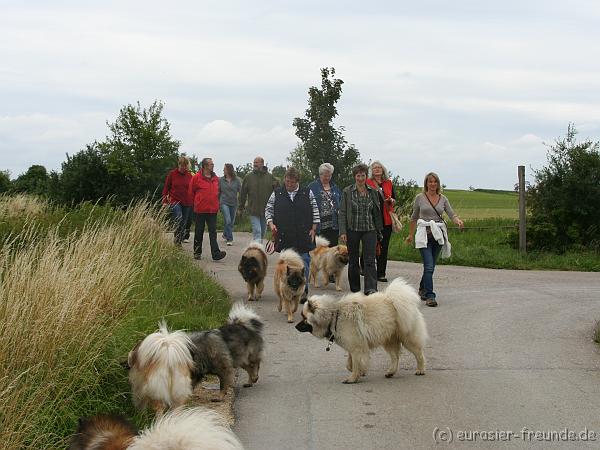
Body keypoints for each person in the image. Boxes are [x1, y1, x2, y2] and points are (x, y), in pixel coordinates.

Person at [406, 172, 464, 307]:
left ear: (438, 184)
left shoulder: (443, 199)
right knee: (429, 266)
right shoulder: (419, 198)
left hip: (438, 236)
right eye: (430, 181)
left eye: (435, 182)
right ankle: (430, 296)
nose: (432, 184)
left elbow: (451, 214)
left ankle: (422, 288)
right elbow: (414, 217)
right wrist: (410, 234)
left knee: (430, 266)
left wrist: (458, 221)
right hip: (423, 235)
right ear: (426, 183)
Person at [265, 166, 320, 302]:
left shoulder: (307, 192)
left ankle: (303, 290)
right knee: (287, 265)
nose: (289, 184)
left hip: (303, 233)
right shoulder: (277, 193)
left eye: (292, 182)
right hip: (285, 234)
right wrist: (271, 224)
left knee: (304, 262)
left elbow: (315, 210)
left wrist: (314, 228)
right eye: (287, 181)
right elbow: (268, 209)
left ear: (297, 181)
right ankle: (288, 290)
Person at [339, 164, 383, 295]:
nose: (360, 178)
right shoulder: (347, 192)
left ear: (366, 176)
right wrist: (343, 231)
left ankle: (371, 289)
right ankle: (355, 289)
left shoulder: (373, 191)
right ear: (354, 177)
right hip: (352, 230)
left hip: (370, 230)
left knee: (369, 260)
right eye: (358, 175)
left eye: (363, 175)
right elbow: (342, 212)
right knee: (353, 260)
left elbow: (376, 212)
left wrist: (378, 230)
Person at [189, 157, 226, 261]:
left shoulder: (216, 179)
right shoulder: (196, 178)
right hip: (200, 209)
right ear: (205, 166)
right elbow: (191, 192)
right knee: (199, 231)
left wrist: (217, 204)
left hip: (212, 209)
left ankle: (216, 254)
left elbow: (219, 193)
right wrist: (195, 204)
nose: (213, 165)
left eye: (213, 164)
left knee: (213, 232)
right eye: (211, 164)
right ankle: (197, 252)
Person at [367, 161, 396, 282]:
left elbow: (394, 198)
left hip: (386, 219)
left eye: (379, 168)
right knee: (371, 245)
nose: (377, 170)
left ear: (383, 170)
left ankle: (381, 273)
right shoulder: (367, 182)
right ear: (371, 171)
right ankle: (365, 267)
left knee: (384, 247)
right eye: (375, 168)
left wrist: (391, 200)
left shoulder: (388, 183)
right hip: (372, 219)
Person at [239, 156, 278, 242]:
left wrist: (276, 207)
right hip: (253, 209)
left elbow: (277, 192)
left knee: (262, 233)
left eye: (256, 162)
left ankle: (257, 249)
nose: (254, 164)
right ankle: (258, 252)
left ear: (262, 164)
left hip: (266, 210)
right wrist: (240, 207)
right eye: (254, 162)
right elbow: (242, 193)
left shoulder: (270, 177)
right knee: (257, 231)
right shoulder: (248, 177)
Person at [308, 163, 342, 246]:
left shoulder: (335, 187)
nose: (327, 178)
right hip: (319, 226)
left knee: (332, 252)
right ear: (320, 174)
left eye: (329, 175)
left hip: (333, 226)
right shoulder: (312, 187)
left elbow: (340, 204)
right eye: (325, 175)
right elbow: (307, 207)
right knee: (320, 253)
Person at [162, 156, 193, 246]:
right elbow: (166, 188)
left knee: (183, 222)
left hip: (187, 202)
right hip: (174, 200)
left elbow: (192, 189)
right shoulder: (172, 174)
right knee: (179, 218)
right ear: (178, 164)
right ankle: (177, 241)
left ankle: (178, 241)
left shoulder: (189, 176)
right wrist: (164, 200)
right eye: (181, 165)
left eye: (185, 165)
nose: (183, 167)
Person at [219, 163, 241, 246]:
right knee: (228, 220)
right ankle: (230, 239)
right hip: (224, 202)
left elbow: (241, 191)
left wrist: (242, 203)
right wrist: (218, 204)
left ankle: (225, 234)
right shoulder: (220, 180)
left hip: (234, 203)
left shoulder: (237, 180)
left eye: (224, 169)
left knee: (231, 222)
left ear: (229, 170)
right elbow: (218, 192)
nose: (223, 170)